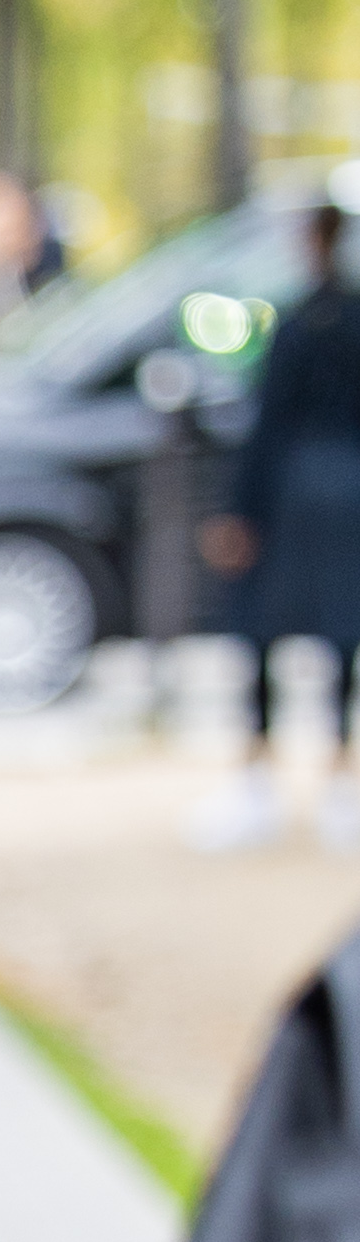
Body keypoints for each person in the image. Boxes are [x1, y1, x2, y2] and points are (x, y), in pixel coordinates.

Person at [195, 204, 360, 853]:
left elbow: (266, 424)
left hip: (295, 491)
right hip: (349, 489)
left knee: (260, 627)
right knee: (341, 636)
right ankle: (337, 776)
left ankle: (258, 776)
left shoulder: (293, 326)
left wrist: (240, 509)